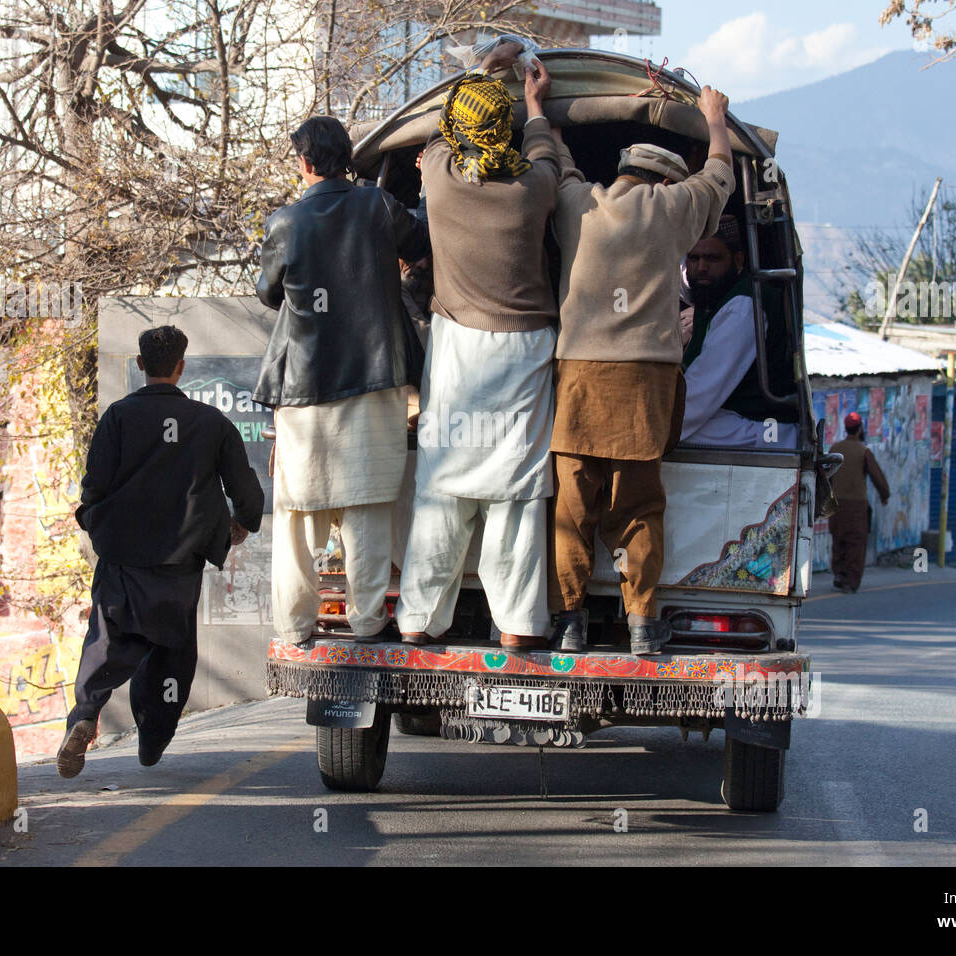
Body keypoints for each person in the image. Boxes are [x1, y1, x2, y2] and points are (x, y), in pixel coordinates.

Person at [547, 90, 735, 655]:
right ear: (663, 184)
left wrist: (543, 110)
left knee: (572, 508)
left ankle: (570, 620)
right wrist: (715, 119)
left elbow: (557, 159)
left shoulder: (580, 203)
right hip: (644, 384)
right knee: (636, 509)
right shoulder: (674, 210)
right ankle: (641, 621)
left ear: (625, 171)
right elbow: (720, 173)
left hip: (579, 377)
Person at [394, 40, 560, 652]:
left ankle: (417, 620)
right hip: (524, 354)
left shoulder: (438, 176)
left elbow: (445, 121)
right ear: (507, 132)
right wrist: (536, 104)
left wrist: (485, 66)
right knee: (516, 495)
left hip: (457, 346)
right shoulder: (533, 188)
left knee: (441, 487)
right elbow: (543, 146)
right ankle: (517, 627)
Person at [254, 115, 430, 647]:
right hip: (376, 384)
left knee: (299, 520)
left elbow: (268, 292)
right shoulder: (378, 206)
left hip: (305, 392)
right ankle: (369, 622)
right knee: (370, 510)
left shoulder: (285, 222)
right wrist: (427, 183)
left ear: (305, 163)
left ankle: (295, 627)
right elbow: (420, 237)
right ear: (347, 159)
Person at [58, 326, 264, 777]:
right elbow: (244, 487)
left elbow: (94, 485)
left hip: (121, 556)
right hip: (180, 562)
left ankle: (86, 716)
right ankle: (152, 739)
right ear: (181, 368)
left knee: (106, 641)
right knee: (170, 652)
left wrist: (95, 519)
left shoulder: (115, 418)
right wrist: (242, 522)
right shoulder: (212, 423)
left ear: (139, 365)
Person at [678, 215, 800, 448]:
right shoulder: (713, 297)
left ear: (738, 260)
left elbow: (699, 395)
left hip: (759, 429)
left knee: (656, 428)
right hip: (734, 418)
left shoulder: (742, 306)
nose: (701, 267)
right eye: (694, 258)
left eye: (712, 258)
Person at [827, 412, 889, 593]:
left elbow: (826, 476)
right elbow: (877, 477)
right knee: (856, 544)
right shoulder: (864, 452)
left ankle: (839, 574)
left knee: (838, 540)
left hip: (836, 505)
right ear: (860, 429)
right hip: (857, 507)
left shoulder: (835, 449)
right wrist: (885, 495)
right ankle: (851, 581)